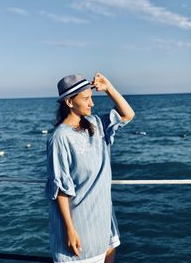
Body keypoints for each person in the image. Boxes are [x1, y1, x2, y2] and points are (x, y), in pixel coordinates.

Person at [45, 72, 135, 263]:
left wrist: (109, 87)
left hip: (104, 223)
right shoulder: (60, 137)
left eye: (91, 97)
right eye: (86, 98)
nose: (91, 103)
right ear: (69, 102)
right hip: (80, 226)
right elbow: (61, 188)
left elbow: (128, 114)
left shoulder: (96, 124)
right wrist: (70, 230)